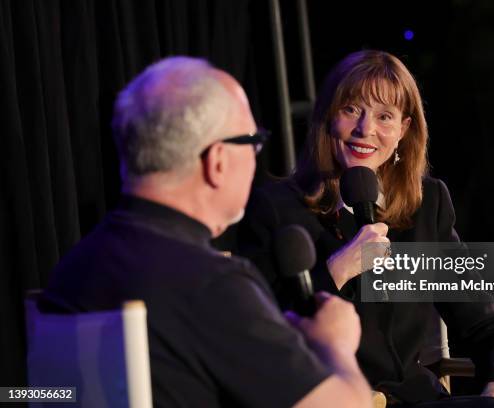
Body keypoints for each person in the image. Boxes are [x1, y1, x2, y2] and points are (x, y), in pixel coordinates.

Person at [41, 57, 373, 407]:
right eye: (252, 141)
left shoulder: (72, 269)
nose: (255, 156)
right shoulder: (211, 284)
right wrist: (334, 345)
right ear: (217, 161)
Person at [236, 50, 494, 407]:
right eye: (352, 109)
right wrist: (338, 269)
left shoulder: (427, 204)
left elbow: (488, 329)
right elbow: (256, 333)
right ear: (328, 115)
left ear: (403, 130)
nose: (365, 130)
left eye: (385, 116)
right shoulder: (275, 208)